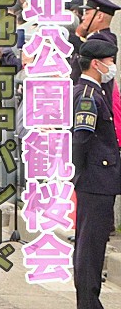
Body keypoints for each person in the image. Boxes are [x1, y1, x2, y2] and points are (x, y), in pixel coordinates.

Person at [71, 39, 119, 309]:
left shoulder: (93, 92)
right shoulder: (89, 95)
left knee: (93, 244)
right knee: (90, 247)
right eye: (110, 61)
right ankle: (88, 303)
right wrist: (78, 174)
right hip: (94, 180)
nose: (112, 66)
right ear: (96, 63)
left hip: (99, 180)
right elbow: (81, 140)